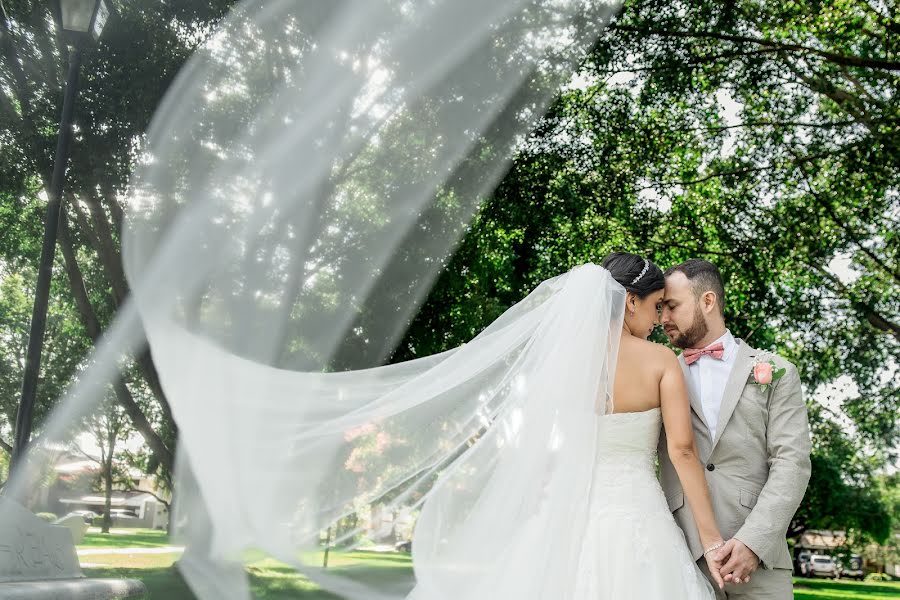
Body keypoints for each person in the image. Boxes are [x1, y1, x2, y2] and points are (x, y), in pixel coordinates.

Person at [660, 259, 812, 599]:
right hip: (680, 556)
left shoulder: (776, 371)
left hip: (762, 562)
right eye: (660, 308)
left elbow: (792, 464)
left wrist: (753, 541)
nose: (663, 319)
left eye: (671, 306)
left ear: (708, 301)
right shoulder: (657, 373)